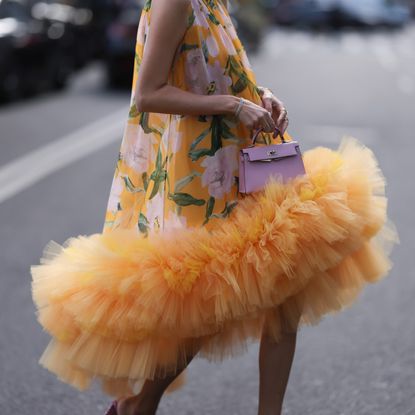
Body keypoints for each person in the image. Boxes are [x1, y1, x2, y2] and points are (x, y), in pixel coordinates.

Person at [30, 0, 399, 414]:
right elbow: (148, 93)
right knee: (208, 299)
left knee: (287, 289)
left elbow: (213, 72)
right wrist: (233, 106)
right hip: (207, 167)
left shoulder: (215, 2)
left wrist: (260, 95)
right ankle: (139, 405)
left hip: (250, 154)